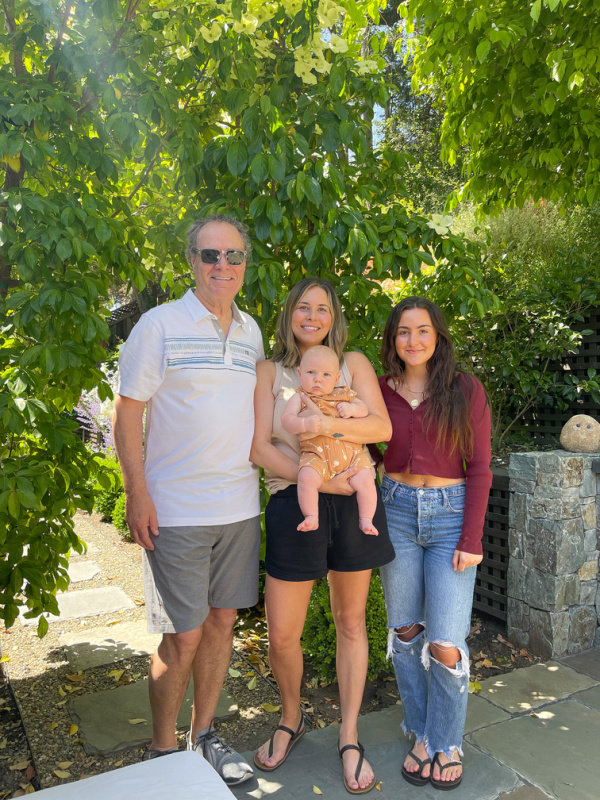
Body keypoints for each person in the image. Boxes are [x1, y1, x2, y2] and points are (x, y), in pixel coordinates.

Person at [112, 214, 264, 786]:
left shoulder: (250, 333)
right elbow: (128, 412)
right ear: (191, 260)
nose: (221, 265)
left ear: (246, 263)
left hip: (239, 509)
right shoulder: (160, 325)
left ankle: (203, 738)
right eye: (209, 255)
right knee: (183, 635)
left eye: (232, 255)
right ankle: (160, 753)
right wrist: (137, 494)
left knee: (223, 622)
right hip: (176, 511)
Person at [250, 278, 395, 794]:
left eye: (322, 309)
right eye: (303, 307)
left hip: (353, 501)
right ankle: (292, 717)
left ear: (334, 316)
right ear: (289, 313)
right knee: (283, 633)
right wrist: (320, 475)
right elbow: (261, 449)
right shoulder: (272, 372)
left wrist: (330, 432)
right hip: (297, 499)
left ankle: (350, 734)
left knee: (350, 622)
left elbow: (381, 429)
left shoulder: (350, 364)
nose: (312, 316)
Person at [373, 296, 492, 791]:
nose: (413, 340)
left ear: (438, 336)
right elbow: (363, 446)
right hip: (395, 511)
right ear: (393, 339)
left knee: (445, 640)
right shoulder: (378, 391)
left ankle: (447, 742)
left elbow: (481, 468)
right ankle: (422, 734)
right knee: (405, 634)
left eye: (423, 331)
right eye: (403, 331)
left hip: (450, 518)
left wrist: (472, 537)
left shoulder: (466, 390)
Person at [281, 344, 378, 535]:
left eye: (326, 375)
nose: (318, 379)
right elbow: (287, 420)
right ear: (300, 374)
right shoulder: (300, 396)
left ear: (336, 378)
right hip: (317, 457)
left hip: (352, 457)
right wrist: (305, 425)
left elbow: (364, 409)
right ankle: (311, 516)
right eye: (311, 372)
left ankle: (366, 519)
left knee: (367, 480)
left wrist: (352, 410)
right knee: (306, 478)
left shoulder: (345, 394)